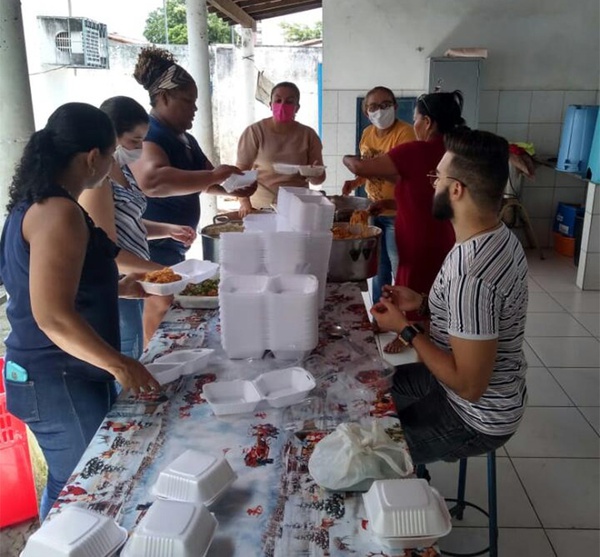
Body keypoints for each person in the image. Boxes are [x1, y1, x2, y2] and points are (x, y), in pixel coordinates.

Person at [0, 103, 161, 520]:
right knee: (83, 486)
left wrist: (122, 286)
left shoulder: (41, 204)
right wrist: (121, 364)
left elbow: (70, 285)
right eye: (111, 156)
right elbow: (51, 315)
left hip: (61, 372)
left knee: (74, 480)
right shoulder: (59, 213)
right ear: (93, 157)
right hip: (56, 376)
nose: (112, 166)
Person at [370, 128, 529, 464]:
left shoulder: (472, 274)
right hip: (468, 388)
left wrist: (405, 329)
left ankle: (408, 480)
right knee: (369, 389)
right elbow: (477, 314)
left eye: (437, 177)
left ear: (456, 190)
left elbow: (469, 385)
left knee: (373, 453)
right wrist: (423, 302)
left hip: (476, 414)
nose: (433, 184)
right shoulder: (495, 235)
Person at [130, 47, 255, 344]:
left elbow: (205, 179)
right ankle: (151, 365)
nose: (194, 109)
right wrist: (214, 177)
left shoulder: (185, 139)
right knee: (156, 307)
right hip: (151, 246)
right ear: (163, 99)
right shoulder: (150, 135)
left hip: (174, 243)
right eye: (188, 101)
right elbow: (153, 180)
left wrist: (232, 186)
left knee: (167, 306)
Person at [343, 91, 463, 353]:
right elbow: (425, 194)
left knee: (409, 285)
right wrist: (389, 204)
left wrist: (346, 159)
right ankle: (422, 329)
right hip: (444, 233)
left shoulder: (414, 149)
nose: (415, 124)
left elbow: (360, 168)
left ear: (428, 122)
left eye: (417, 118)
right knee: (431, 286)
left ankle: (408, 333)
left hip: (417, 237)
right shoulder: (454, 150)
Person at [79, 96, 197, 359]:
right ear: (110, 137)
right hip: (117, 286)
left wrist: (167, 229)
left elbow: (127, 223)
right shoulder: (98, 183)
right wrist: (164, 273)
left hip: (132, 282)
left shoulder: (122, 169)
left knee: (136, 350)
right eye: (134, 141)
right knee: (126, 355)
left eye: (143, 140)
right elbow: (106, 251)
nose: (140, 148)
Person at [342, 86, 416, 303]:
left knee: (398, 267)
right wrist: (356, 180)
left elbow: (406, 176)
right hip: (374, 208)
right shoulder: (367, 134)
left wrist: (369, 168)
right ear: (366, 112)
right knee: (377, 266)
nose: (380, 111)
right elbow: (367, 168)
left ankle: (404, 316)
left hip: (398, 211)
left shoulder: (405, 133)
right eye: (373, 107)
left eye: (385, 105)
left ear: (395, 106)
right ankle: (380, 313)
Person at [236, 81, 326, 216]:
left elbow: (318, 179)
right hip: (260, 208)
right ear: (270, 105)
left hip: (297, 208)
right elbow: (240, 172)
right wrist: (244, 202)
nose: (282, 105)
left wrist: (313, 173)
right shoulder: (254, 132)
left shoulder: (309, 135)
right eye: (278, 100)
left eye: (289, 102)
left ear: (297, 107)